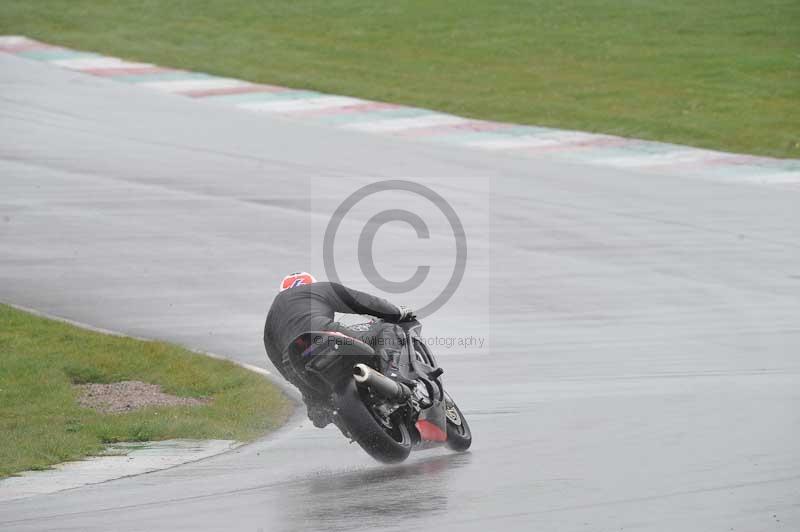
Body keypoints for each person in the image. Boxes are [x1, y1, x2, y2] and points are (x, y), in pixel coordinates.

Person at [263, 272, 415, 427]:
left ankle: (327, 413)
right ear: (311, 283)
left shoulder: (271, 316)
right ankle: (393, 374)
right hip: (325, 335)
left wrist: (307, 392)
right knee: (390, 330)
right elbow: (362, 301)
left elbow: (275, 358)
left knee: (321, 406)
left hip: (295, 361)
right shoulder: (317, 288)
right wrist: (396, 312)